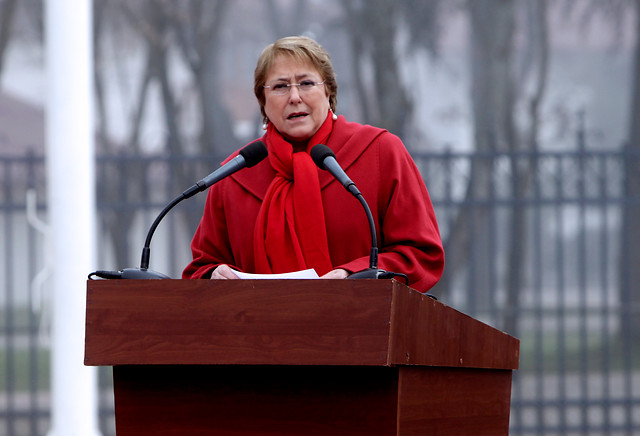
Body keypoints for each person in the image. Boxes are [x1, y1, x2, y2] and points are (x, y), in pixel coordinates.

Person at [182, 36, 444, 292]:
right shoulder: (236, 173)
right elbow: (200, 268)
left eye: (306, 83)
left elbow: (420, 255)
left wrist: (354, 275)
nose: (294, 96)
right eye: (280, 86)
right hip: (256, 331)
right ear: (262, 101)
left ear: (328, 90)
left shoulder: (379, 152)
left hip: (363, 328)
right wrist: (214, 275)